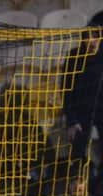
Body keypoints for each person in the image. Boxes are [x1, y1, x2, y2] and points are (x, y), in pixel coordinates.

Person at [62, 14, 103, 160]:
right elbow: (66, 91)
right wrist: (71, 121)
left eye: (96, 35)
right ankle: (78, 180)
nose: (91, 40)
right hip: (81, 113)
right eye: (88, 36)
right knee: (78, 155)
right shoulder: (73, 57)